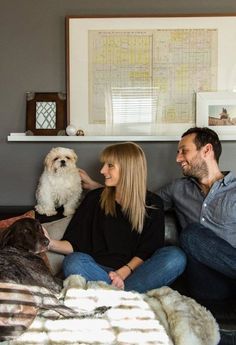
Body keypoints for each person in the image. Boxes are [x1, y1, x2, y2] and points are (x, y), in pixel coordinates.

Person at [80, 128, 236, 302]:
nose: (178, 158)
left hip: (231, 276)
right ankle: (122, 298)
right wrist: (99, 189)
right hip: (207, 284)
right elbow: (137, 198)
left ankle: (115, 298)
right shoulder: (177, 188)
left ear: (207, 150)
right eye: (178, 152)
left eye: (184, 151)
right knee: (190, 237)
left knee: (193, 234)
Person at [46, 142, 186, 293]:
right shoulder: (94, 199)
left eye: (110, 165)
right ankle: (128, 295)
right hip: (97, 270)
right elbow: (74, 244)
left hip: (137, 271)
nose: (102, 170)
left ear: (128, 169)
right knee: (73, 262)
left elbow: (148, 250)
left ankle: (114, 294)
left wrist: (123, 272)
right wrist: (48, 243)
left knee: (175, 257)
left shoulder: (153, 203)